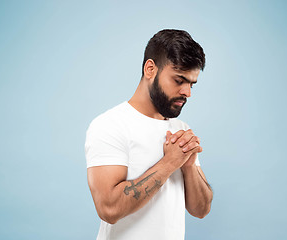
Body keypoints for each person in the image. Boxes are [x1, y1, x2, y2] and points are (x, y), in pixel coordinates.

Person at [85, 29, 213, 240]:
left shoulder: (180, 127)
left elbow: (201, 210)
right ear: (150, 69)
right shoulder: (110, 125)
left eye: (191, 84)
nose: (187, 92)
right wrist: (170, 163)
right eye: (179, 80)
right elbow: (108, 209)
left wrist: (189, 165)